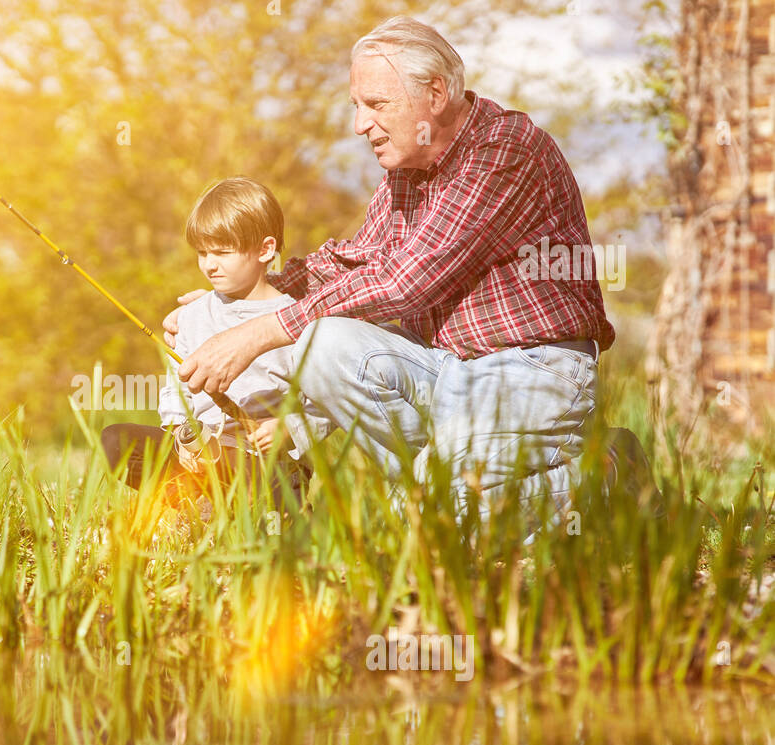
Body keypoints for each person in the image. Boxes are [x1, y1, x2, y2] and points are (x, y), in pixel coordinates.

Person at [163, 16, 659, 533]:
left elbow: (406, 280)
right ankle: (433, 495)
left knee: (438, 519)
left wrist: (258, 331)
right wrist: (241, 298)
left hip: (533, 373)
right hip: (445, 370)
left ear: (436, 94)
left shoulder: (505, 150)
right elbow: (352, 263)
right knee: (322, 340)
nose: (359, 125)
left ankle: (608, 476)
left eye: (375, 105)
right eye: (356, 106)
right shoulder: (405, 174)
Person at [101, 177, 330, 511]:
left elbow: (327, 399)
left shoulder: (293, 320)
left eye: (222, 253)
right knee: (115, 441)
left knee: (270, 501)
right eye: (202, 253)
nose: (209, 264)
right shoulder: (190, 316)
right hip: (201, 451)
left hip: (266, 465)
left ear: (265, 250)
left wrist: (289, 428)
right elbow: (175, 388)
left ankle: (252, 510)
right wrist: (178, 433)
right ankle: (199, 499)